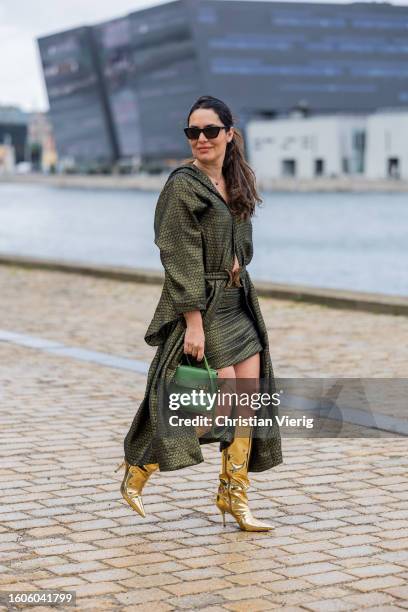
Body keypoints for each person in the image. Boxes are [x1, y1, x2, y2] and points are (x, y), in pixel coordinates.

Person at [115, 95, 282, 532]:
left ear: (229, 133)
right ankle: (140, 466)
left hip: (238, 300)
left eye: (210, 130)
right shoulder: (181, 185)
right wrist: (192, 321)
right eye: (193, 132)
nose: (201, 139)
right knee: (214, 398)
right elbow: (177, 253)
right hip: (202, 303)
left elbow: (243, 244)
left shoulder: (237, 179)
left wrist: (236, 261)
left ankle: (234, 496)